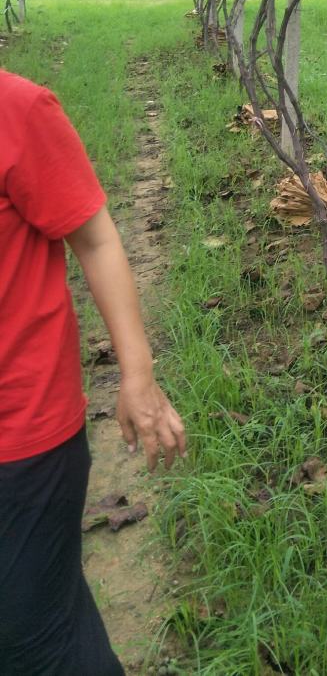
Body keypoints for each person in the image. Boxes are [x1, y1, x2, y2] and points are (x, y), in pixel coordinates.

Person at [0, 67, 186, 675]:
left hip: (20, 438)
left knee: (32, 640)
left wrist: (138, 375)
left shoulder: (17, 110)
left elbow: (97, 241)